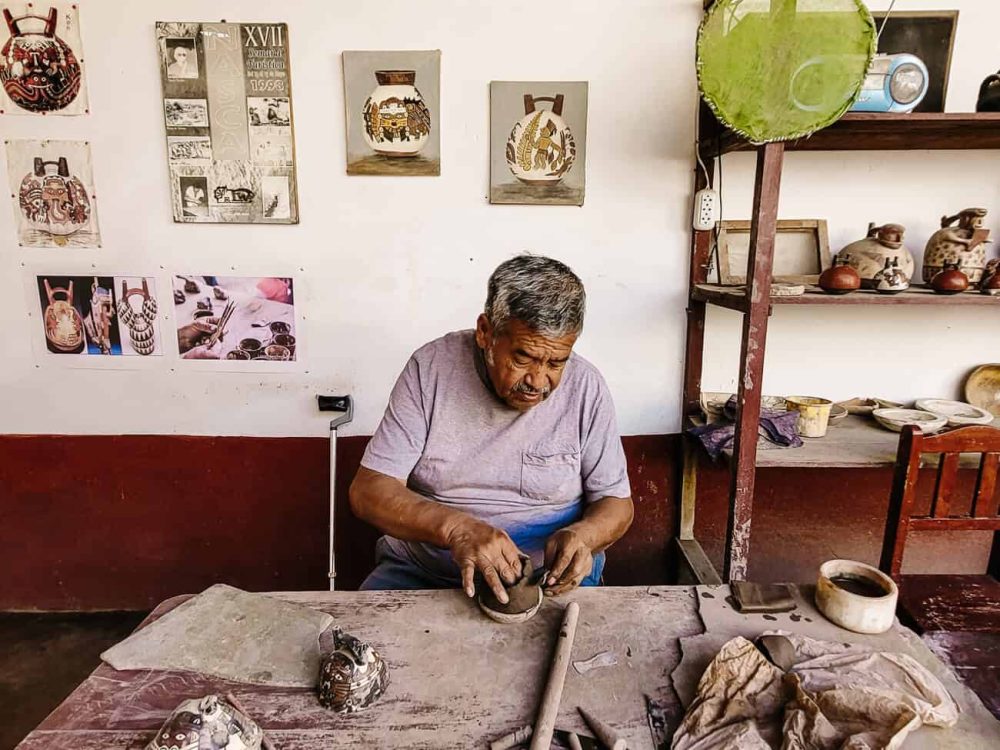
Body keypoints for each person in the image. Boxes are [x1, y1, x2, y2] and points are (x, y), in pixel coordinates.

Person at [350, 254, 634, 606]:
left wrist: (585, 536)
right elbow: (369, 492)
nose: (537, 381)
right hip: (428, 572)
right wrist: (458, 530)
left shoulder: (587, 386)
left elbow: (617, 504)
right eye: (523, 357)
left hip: (549, 580)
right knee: (361, 650)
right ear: (486, 332)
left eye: (556, 362)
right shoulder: (431, 370)